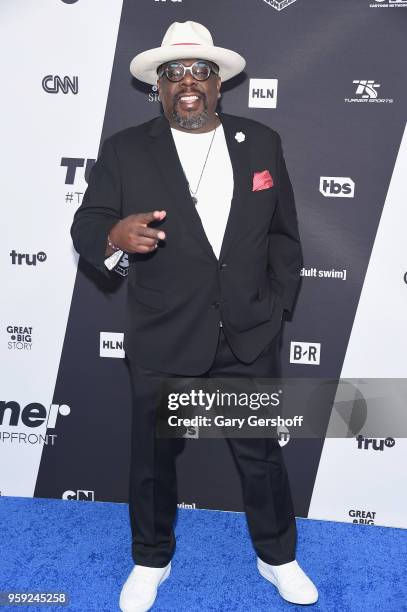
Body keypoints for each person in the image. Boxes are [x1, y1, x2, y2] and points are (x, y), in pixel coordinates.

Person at [71, 20, 318, 612]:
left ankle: (277, 557)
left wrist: (277, 304)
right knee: (153, 460)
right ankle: (150, 561)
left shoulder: (260, 141)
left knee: (261, 454)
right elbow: (86, 223)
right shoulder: (127, 149)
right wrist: (112, 233)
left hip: (248, 332)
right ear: (157, 87)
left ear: (219, 84)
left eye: (200, 73)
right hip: (165, 332)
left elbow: (284, 232)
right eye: (174, 73)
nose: (188, 83)